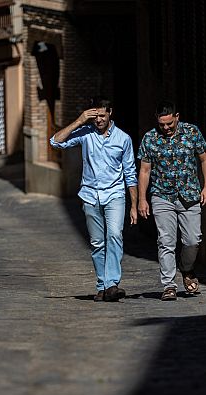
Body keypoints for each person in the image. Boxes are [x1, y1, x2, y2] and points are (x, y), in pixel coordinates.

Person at [50, 98, 138, 302]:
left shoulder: (123, 139)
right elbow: (56, 141)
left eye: (102, 115)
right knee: (97, 242)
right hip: (90, 195)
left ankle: (112, 284)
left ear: (110, 113)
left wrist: (134, 204)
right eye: (95, 115)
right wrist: (79, 121)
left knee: (115, 235)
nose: (98, 119)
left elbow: (130, 173)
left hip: (115, 194)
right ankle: (102, 285)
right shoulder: (86, 134)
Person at [137, 101, 206, 301]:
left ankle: (187, 269)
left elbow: (205, 159)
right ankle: (169, 285)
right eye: (162, 124)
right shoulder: (150, 138)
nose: (166, 128)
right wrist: (142, 199)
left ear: (177, 116)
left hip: (190, 195)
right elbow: (145, 170)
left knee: (193, 240)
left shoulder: (191, 132)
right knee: (166, 241)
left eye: (169, 124)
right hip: (162, 196)